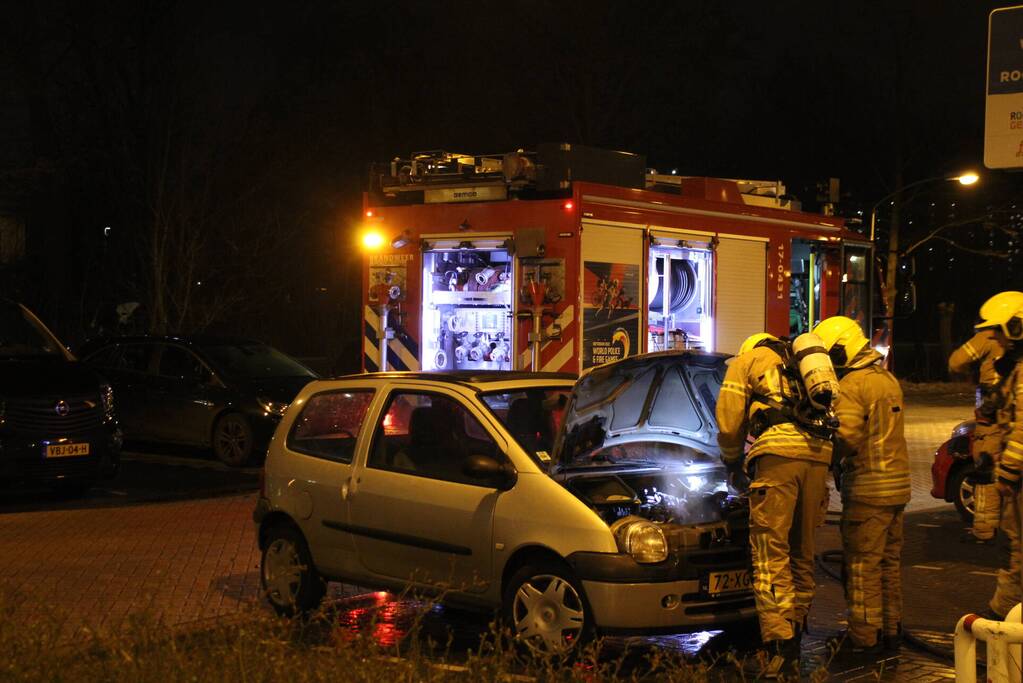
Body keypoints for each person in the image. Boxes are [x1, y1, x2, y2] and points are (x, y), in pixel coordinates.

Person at [717, 332, 833, 678]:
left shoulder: (746, 361)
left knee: (770, 554)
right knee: (802, 551)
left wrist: (730, 460)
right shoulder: (799, 367)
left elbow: (728, 420)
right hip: (818, 456)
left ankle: (780, 647)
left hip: (778, 459)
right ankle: (796, 631)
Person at [813, 316, 911, 662]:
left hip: (868, 491)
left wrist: (824, 456)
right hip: (897, 490)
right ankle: (890, 632)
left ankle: (863, 639)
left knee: (861, 568)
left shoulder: (853, 385)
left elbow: (847, 437)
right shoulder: (887, 379)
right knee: (888, 565)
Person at [948, 292, 1021, 546]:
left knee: (985, 461)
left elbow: (956, 361)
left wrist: (973, 374)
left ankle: (984, 529)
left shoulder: (986, 336)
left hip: (991, 406)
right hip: (1006, 409)